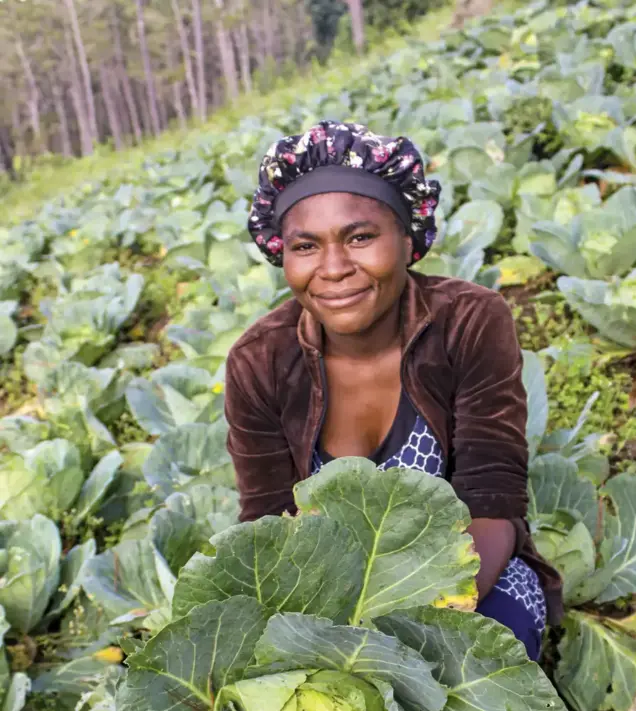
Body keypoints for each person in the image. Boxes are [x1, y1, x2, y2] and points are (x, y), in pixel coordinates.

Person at [224, 120, 562, 661]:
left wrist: (414, 632)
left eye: (360, 237)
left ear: (408, 239)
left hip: (465, 574)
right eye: (306, 246)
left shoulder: (470, 321)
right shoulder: (259, 361)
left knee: (487, 661)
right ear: (280, 254)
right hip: (331, 596)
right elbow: (267, 527)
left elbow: (492, 498)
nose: (334, 269)